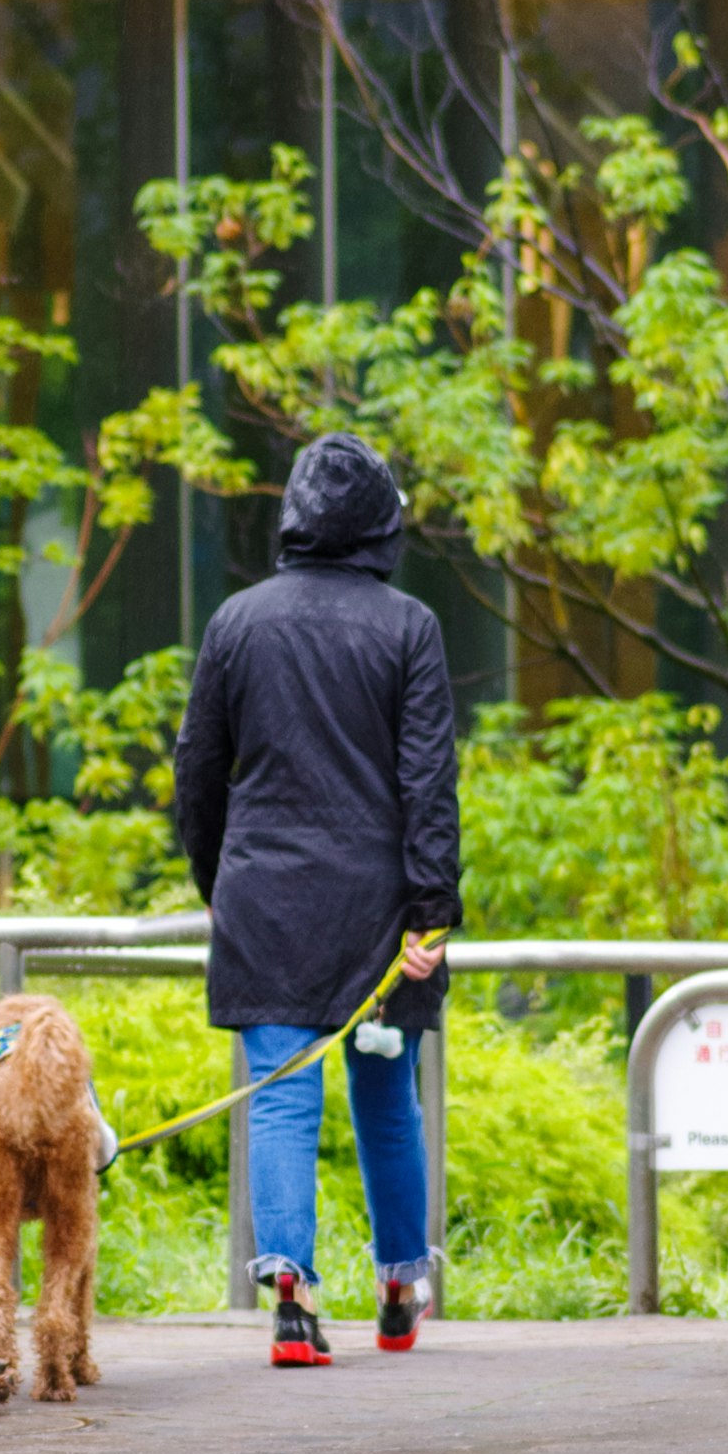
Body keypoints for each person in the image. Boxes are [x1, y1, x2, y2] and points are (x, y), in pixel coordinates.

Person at [172, 430, 461, 1368]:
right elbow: (428, 783)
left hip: (265, 896)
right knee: (388, 1101)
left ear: (295, 515)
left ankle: (290, 1300)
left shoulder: (237, 622)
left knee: (283, 1097)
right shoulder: (408, 626)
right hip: (378, 910)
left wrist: (217, 881)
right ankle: (397, 1285)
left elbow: (198, 771)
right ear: (381, 522)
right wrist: (431, 914)